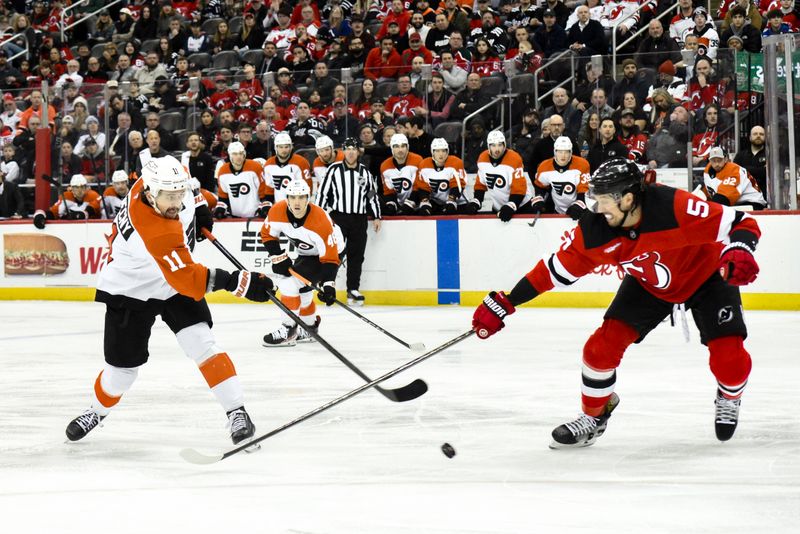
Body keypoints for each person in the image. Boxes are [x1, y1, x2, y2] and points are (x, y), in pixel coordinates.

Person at [472, 159, 761, 447]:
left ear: (628, 198)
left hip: (708, 276)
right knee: (599, 350)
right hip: (649, 285)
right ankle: (594, 416)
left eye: (603, 201)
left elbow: (742, 222)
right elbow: (553, 272)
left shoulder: (674, 206)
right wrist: (507, 302)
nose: (597, 208)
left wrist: (740, 249)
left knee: (730, 364)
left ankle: (729, 396)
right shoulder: (596, 229)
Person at [65, 155, 274, 444]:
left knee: (202, 343)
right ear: (150, 194)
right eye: (170, 197)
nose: (176, 202)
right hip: (131, 289)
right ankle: (97, 410)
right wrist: (240, 282)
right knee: (121, 374)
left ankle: (236, 412)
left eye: (180, 194)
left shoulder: (164, 178)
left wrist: (199, 205)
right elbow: (188, 278)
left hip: (172, 280)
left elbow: (190, 183)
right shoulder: (153, 228)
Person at [261, 179, 344, 347]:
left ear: (308, 199)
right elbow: (268, 234)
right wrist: (277, 257)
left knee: (289, 284)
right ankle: (310, 328)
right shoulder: (277, 211)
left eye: (301, 197)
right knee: (303, 291)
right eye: (292, 197)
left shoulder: (320, 221)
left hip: (333, 253)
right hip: (306, 253)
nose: (297, 202)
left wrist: (329, 285)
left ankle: (289, 330)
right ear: (287, 198)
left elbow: (329, 258)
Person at [316, 138, 382, 306]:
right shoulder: (334, 170)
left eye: (354, 149)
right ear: (343, 151)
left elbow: (371, 195)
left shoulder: (364, 172)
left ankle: (353, 289)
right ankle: (326, 285)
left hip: (359, 219)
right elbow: (323, 194)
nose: (351, 152)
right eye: (348, 149)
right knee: (333, 254)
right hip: (339, 218)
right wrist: (317, 217)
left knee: (356, 255)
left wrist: (376, 216)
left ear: (358, 151)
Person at [470, 130, 532, 221]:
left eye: (500, 145)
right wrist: (477, 200)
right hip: (498, 207)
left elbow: (519, 188)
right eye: (493, 145)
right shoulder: (482, 158)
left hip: (522, 206)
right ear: (488, 146)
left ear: (504, 145)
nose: (497, 149)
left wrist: (511, 205)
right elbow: (481, 184)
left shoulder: (514, 158)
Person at [532, 136, 590, 219]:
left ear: (571, 152)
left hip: (580, 212)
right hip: (558, 212)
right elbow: (540, 186)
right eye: (560, 152)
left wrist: (579, 204)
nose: (563, 156)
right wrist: (538, 199)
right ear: (555, 152)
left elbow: (585, 189)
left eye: (566, 152)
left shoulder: (582, 164)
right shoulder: (544, 167)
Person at [215, 142, 269, 219]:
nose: (239, 156)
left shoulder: (255, 167)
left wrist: (264, 205)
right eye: (235, 154)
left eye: (241, 153)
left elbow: (263, 191)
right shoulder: (223, 171)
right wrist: (221, 208)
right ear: (230, 155)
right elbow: (223, 196)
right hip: (235, 217)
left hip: (256, 215)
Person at [415, 137, 468, 214]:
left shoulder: (456, 162)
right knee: (423, 212)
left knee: (450, 210)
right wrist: (425, 201)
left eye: (443, 151)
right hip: (436, 202)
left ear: (447, 151)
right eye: (437, 151)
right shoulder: (424, 165)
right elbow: (423, 187)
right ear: (432, 152)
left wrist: (451, 200)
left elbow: (457, 185)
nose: (441, 154)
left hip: (458, 202)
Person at [702, 146, 766, 210]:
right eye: (713, 161)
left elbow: (722, 199)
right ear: (709, 161)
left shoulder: (733, 170)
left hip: (752, 203)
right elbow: (707, 193)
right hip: (738, 203)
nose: (717, 164)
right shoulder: (708, 171)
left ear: (725, 159)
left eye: (719, 160)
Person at [262, 132, 313, 206]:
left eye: (286, 147)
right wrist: (268, 204)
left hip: (298, 205)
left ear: (291, 147)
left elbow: (308, 186)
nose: (284, 150)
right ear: (276, 147)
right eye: (281, 147)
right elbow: (269, 190)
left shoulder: (301, 162)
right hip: (279, 206)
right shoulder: (268, 164)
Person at [381, 133, 424, 215]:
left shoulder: (418, 160)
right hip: (399, 204)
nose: (400, 150)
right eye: (396, 146)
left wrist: (409, 204)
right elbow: (388, 191)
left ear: (407, 147)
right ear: (392, 148)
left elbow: (419, 187)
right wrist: (391, 204)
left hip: (418, 203)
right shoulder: (385, 165)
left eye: (403, 146)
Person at [733, 125, 767, 200]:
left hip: (765, 196)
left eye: (761, 134)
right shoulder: (741, 155)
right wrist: (760, 170)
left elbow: (767, 173)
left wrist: (745, 169)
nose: (758, 136)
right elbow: (735, 172)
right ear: (750, 137)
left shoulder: (770, 155)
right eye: (755, 134)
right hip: (744, 197)